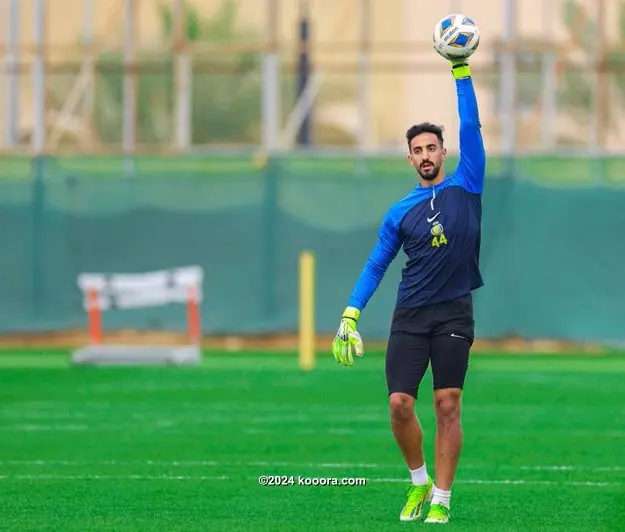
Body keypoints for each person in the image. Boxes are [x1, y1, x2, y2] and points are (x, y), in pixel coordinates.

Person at [331, 56, 486, 525]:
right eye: (417, 148)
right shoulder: (399, 211)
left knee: (447, 404)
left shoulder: (467, 184)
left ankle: (442, 496)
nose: (425, 154)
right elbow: (377, 263)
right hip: (411, 316)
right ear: (410, 157)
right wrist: (351, 313)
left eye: (432, 147)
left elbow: (472, 124)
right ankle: (418, 482)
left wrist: (461, 70)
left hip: (454, 314)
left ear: (444, 153)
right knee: (400, 406)